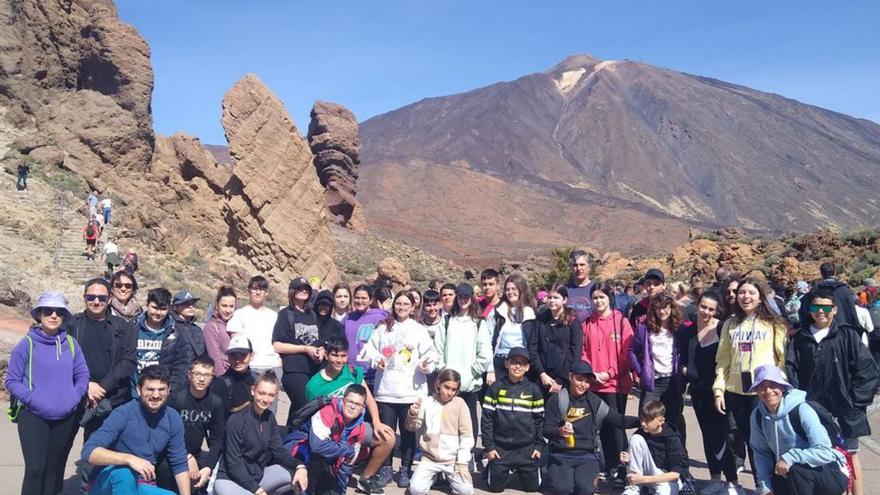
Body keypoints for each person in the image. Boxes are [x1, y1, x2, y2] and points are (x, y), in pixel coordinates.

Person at [785, 288, 880, 495]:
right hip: (811, 411)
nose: (821, 312)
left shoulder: (848, 335)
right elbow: (791, 371)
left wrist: (854, 402)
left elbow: (868, 371)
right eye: (816, 307)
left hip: (845, 410)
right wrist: (800, 405)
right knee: (817, 455)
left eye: (826, 307)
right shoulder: (801, 338)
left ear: (835, 310)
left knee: (850, 456)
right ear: (809, 310)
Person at [6, 292, 89, 495]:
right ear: (39, 315)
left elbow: (82, 374)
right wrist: (34, 399)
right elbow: (11, 380)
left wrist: (74, 396)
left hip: (64, 416)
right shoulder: (27, 344)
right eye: (48, 311)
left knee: (53, 470)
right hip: (33, 416)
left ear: (64, 317)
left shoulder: (71, 343)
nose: (53, 315)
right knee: (35, 470)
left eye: (59, 312)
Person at [359, 290, 439, 487]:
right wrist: (377, 359)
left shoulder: (418, 329)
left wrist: (424, 364)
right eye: (398, 304)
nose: (401, 307)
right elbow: (369, 348)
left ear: (412, 308)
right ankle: (385, 468)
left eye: (406, 304)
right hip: (386, 390)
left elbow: (431, 354)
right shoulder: (383, 328)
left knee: (408, 433)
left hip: (411, 392)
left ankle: (405, 469)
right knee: (385, 433)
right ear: (393, 306)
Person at [714, 277, 787, 482]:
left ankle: (769, 485)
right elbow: (723, 360)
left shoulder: (773, 324)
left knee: (766, 443)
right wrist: (719, 390)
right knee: (743, 439)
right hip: (736, 391)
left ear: (760, 297)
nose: (746, 297)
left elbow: (781, 359)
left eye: (751, 293)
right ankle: (756, 484)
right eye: (742, 293)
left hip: (764, 393)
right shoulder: (730, 324)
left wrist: (778, 388)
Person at [303, 337, 395, 493]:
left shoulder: (352, 371)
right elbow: (311, 417)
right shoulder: (314, 385)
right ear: (326, 355)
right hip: (331, 433)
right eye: (335, 355)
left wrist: (377, 422)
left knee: (388, 437)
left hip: (355, 427)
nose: (339, 360)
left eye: (343, 356)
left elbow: (369, 399)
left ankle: (365, 478)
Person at [82, 365, 191, 495]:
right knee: (124, 473)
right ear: (139, 390)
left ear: (168, 390)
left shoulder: (172, 417)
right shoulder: (123, 414)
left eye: (161, 389)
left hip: (142, 485)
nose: (156, 395)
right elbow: (89, 452)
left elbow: (179, 463)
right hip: (108, 484)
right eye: (150, 389)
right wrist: (129, 459)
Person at [748, 365, 850, 495]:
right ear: (756, 391)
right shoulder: (757, 416)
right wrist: (765, 487)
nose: (768, 391)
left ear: (782, 387)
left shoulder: (802, 409)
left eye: (773, 385)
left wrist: (791, 456)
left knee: (796, 469)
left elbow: (825, 451)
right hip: (788, 476)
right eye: (762, 387)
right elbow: (761, 454)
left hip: (826, 474)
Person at [543, 361, 639, 495]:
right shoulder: (557, 400)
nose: (583, 385)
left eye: (587, 381)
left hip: (587, 455)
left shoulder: (595, 402)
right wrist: (559, 432)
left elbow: (617, 420)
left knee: (585, 490)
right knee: (562, 490)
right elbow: (546, 430)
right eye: (580, 379)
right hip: (561, 453)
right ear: (571, 377)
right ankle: (551, 474)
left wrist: (643, 421)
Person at [681, 291, 740, 494]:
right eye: (703, 307)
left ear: (716, 311)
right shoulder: (687, 332)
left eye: (711, 309)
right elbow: (681, 361)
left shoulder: (723, 328)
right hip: (697, 393)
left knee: (720, 435)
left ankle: (732, 480)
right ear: (697, 306)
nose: (706, 312)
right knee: (707, 435)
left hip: (719, 394)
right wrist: (686, 371)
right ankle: (715, 478)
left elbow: (730, 360)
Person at [214, 371, 308, 495]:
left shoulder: (269, 418)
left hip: (257, 476)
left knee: (295, 476)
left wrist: (300, 466)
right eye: (262, 393)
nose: (265, 399)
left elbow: (278, 450)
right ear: (253, 391)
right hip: (230, 480)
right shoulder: (236, 420)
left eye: (270, 395)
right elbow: (233, 465)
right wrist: (257, 490)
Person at [66, 279, 138, 434]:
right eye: (91, 297)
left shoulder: (123, 327)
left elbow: (129, 361)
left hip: (110, 398)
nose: (96, 302)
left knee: (99, 452)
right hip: (74, 396)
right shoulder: (71, 325)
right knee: (58, 451)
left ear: (110, 298)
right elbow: (63, 360)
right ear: (84, 298)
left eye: (102, 298)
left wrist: (103, 386)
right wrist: (86, 385)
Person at [434, 282, 492, 471]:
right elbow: (439, 348)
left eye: (466, 296)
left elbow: (484, 352)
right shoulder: (448, 320)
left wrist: (472, 373)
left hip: (469, 382)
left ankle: (467, 458)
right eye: (460, 296)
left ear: (471, 298)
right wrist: (443, 371)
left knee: (469, 420)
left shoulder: (479, 322)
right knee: (446, 420)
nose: (463, 299)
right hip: (448, 381)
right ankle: (446, 458)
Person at [582, 281, 634, 481]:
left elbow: (626, 353)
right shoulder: (587, 323)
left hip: (615, 384)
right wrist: (591, 372)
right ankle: (609, 465)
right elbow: (583, 351)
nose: (598, 301)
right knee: (600, 426)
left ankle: (624, 468)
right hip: (594, 384)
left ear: (609, 298)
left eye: (601, 297)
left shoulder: (621, 322)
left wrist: (609, 373)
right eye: (594, 297)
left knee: (616, 427)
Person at [284, 385, 371, 495]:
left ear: (363, 407)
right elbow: (317, 446)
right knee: (315, 462)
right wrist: (346, 449)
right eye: (350, 401)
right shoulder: (327, 412)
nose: (352, 407)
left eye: (358, 404)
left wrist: (341, 491)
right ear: (343, 400)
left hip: (328, 459)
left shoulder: (359, 429)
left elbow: (347, 465)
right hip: (302, 451)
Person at [628, 293, 688, 446]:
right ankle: (649, 455)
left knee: (674, 419)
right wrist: (641, 372)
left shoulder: (679, 328)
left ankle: (679, 457)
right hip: (653, 381)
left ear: (671, 308)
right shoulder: (644, 328)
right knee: (647, 419)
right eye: (658, 308)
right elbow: (632, 351)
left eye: (665, 308)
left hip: (672, 380)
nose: (662, 312)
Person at [481, 347, 544, 492]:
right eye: (514, 362)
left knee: (532, 488)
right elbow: (487, 419)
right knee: (495, 488)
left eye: (522, 363)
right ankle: (493, 468)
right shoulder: (495, 388)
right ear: (507, 364)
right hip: (501, 447)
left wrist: (538, 447)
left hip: (526, 448)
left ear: (527, 367)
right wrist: (489, 447)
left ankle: (525, 470)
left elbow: (539, 421)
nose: (518, 366)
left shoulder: (534, 390)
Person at [405, 368, 475, 495]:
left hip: (452, 460)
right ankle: (434, 477)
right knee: (415, 490)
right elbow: (411, 427)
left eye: (453, 390)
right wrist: (412, 414)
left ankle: (447, 478)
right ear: (438, 384)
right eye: (446, 387)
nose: (449, 393)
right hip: (429, 459)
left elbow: (467, 436)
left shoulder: (460, 404)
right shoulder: (427, 402)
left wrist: (462, 463)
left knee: (466, 491)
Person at [161, 355, 225, 494]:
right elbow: (165, 435)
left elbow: (217, 439)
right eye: (198, 374)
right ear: (189, 375)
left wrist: (209, 467)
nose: (202, 379)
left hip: (195, 456)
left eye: (207, 375)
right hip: (170, 454)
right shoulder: (176, 398)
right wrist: (186, 456)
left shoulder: (215, 402)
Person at [273, 276, 325, 420]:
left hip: (313, 370)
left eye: (306, 289)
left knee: (298, 410)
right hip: (294, 370)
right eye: (299, 289)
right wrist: (305, 349)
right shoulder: (286, 314)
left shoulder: (313, 315)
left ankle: (290, 437)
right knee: (307, 406)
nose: (303, 291)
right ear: (292, 292)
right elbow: (277, 345)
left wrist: (319, 350)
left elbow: (317, 341)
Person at [132, 288, 194, 394]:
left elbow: (181, 365)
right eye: (154, 308)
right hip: (134, 391)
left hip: (161, 393)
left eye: (163, 309)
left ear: (169, 308)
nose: (158, 313)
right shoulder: (132, 328)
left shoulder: (176, 333)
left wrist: (171, 390)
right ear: (147, 305)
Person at [620, 401, 687, 495]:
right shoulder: (640, 433)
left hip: (665, 478)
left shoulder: (672, 438)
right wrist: (627, 460)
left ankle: (645, 487)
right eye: (642, 420)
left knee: (666, 492)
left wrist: (643, 479)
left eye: (648, 420)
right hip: (643, 476)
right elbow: (637, 461)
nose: (643, 424)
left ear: (661, 421)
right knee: (636, 439)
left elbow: (675, 475)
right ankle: (633, 487)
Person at [527, 285, 583, 397]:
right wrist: (542, 373)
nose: (552, 301)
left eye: (556, 298)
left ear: (565, 300)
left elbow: (575, 351)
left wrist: (561, 379)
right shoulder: (541, 319)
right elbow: (533, 348)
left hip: (564, 379)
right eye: (549, 297)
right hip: (542, 377)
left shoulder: (572, 321)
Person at [227, 275, 282, 389]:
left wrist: (280, 361)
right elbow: (236, 342)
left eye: (261, 289)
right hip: (251, 367)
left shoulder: (274, 316)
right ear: (249, 291)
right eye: (254, 289)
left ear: (266, 293)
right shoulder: (239, 314)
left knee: (270, 405)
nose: (258, 292)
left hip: (273, 366)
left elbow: (279, 341)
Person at [485, 272, 536, 384]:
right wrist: (490, 369)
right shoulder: (497, 312)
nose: (510, 292)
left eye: (514, 289)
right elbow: (487, 342)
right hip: (500, 362)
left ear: (521, 290)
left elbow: (533, 343)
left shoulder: (530, 312)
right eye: (507, 289)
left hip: (520, 363)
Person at [342, 284, 388, 389]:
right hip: (351, 373)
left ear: (371, 300)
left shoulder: (380, 316)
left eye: (364, 298)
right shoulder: (348, 318)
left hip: (372, 374)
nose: (360, 301)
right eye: (357, 298)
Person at [798, 261, 861, 333]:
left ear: (821, 274)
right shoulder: (845, 290)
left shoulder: (814, 291)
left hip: (821, 332)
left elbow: (805, 312)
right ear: (835, 272)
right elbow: (852, 312)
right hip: (843, 331)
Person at [169, 290, 208, 392]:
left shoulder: (197, 329)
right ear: (176, 307)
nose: (191, 306)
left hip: (194, 379)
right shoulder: (170, 327)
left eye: (193, 303)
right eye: (186, 304)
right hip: (175, 379)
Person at [213, 335, 257, 414]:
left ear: (252, 356)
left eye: (243, 355)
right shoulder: (221, 384)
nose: (238, 360)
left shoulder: (257, 380)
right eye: (233, 356)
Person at [203, 286, 236, 376]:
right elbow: (215, 357)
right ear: (217, 305)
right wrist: (224, 379)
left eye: (231, 306)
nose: (228, 310)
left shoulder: (237, 325)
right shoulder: (211, 327)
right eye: (224, 306)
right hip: (224, 376)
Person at [566, 249, 596, 322]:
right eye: (575, 265)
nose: (579, 268)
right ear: (571, 268)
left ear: (589, 267)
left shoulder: (597, 289)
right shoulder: (565, 289)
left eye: (582, 265)